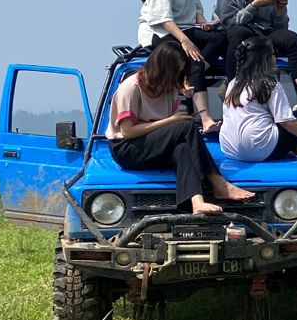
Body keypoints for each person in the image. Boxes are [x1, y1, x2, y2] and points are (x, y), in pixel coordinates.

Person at [107, 39, 253, 215]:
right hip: (127, 148)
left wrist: (181, 104)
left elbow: (171, 132)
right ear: (162, 68)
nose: (177, 75)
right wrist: (171, 121)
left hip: (152, 145)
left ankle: (197, 202)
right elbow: (127, 131)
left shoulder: (168, 90)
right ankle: (218, 182)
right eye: (175, 70)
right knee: (184, 126)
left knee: (183, 149)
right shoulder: (131, 87)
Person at [137, 0, 226, 134]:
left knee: (220, 38)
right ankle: (206, 119)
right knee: (192, 57)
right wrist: (185, 41)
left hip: (184, 28)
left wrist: (204, 23)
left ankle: (191, 78)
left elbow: (195, 8)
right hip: (159, 32)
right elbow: (162, 19)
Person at [220, 36, 297, 175]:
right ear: (265, 59)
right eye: (273, 54)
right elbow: (286, 121)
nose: (275, 58)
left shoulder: (233, 84)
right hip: (261, 150)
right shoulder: (269, 84)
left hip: (231, 151)